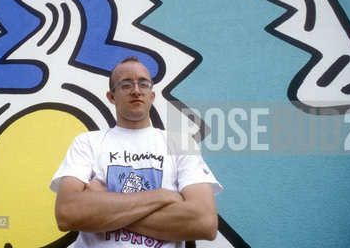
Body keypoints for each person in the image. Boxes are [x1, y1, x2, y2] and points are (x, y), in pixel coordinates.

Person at [50, 56, 222, 247]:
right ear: (111, 97)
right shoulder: (87, 143)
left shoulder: (180, 143)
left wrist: (103, 204)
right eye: (125, 85)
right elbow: (67, 213)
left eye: (144, 84)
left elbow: (205, 223)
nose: (136, 91)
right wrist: (163, 196)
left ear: (152, 95)